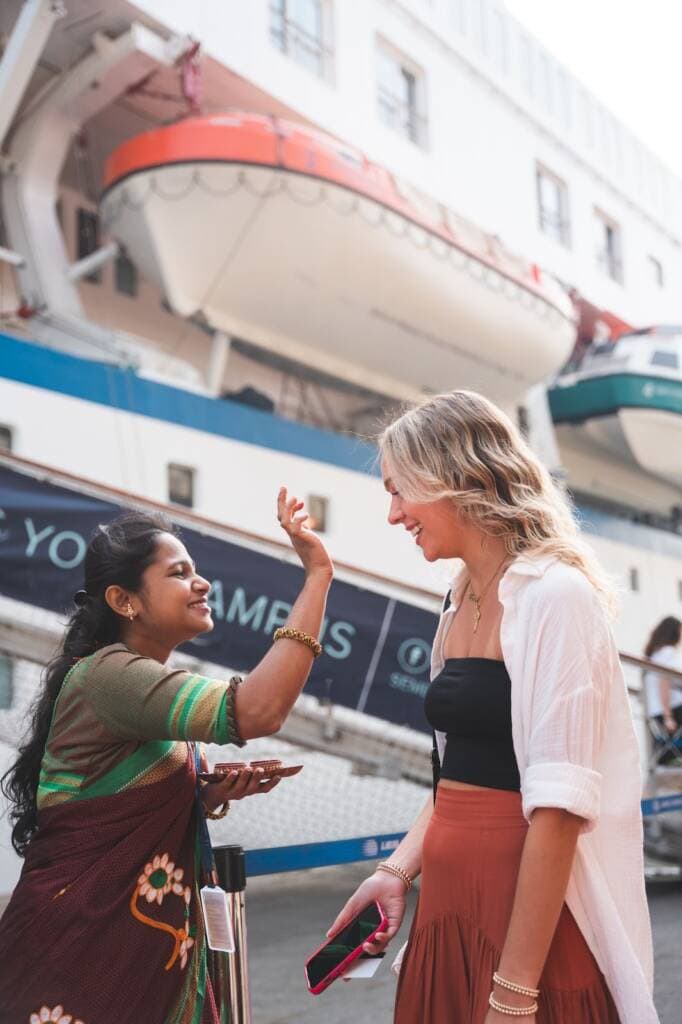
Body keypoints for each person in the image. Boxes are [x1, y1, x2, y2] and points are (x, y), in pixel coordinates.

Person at [328, 391, 657, 1024]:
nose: (395, 515)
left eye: (400, 492)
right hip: (447, 912)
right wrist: (396, 871)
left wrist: (515, 990)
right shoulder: (457, 599)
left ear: (452, 478)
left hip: (524, 927)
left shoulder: (555, 596)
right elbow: (460, 771)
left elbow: (559, 808)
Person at [0, 487, 333, 1024]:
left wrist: (205, 793)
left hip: (115, 944)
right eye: (178, 574)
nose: (201, 583)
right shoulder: (112, 676)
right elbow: (257, 711)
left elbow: (123, 789)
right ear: (123, 600)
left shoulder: (136, 680)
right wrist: (317, 577)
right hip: (80, 955)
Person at [643, 616, 682, 760]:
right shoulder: (668, 652)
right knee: (669, 750)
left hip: (657, 710)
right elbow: (663, 682)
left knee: (666, 752)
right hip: (672, 709)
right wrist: (668, 716)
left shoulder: (655, 655)